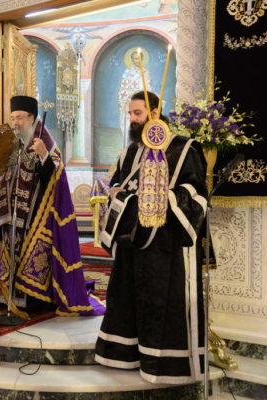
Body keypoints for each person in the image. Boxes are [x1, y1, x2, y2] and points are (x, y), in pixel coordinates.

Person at [95, 91, 207, 383]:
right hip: (131, 242)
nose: (132, 119)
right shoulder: (130, 152)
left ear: (155, 113)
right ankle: (124, 355)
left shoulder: (184, 149)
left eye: (138, 113)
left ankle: (163, 364)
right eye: (130, 114)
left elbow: (196, 193)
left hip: (166, 246)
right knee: (127, 298)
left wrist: (160, 199)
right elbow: (117, 184)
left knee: (161, 303)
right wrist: (118, 193)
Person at [0, 95, 105, 316]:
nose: (15, 123)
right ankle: (8, 296)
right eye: (12, 118)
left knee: (32, 259)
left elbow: (56, 180)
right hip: (12, 216)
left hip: (37, 218)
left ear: (32, 118)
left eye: (20, 118)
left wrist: (44, 156)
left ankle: (34, 300)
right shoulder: (12, 145)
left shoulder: (47, 143)